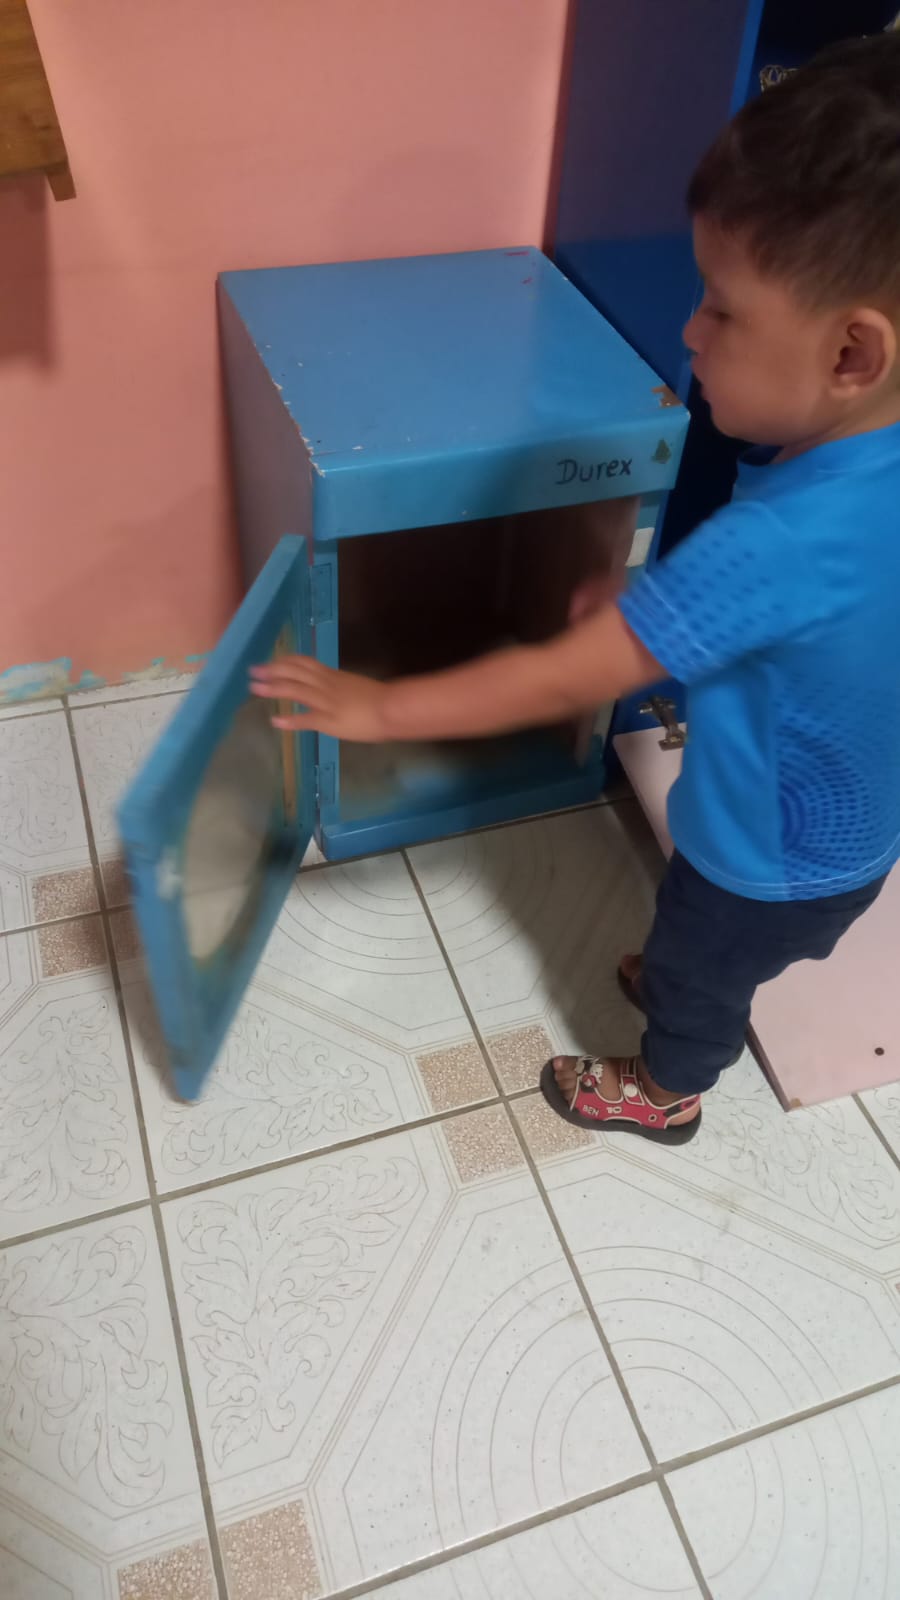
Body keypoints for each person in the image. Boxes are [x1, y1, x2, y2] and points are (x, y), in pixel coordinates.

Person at [252, 35, 900, 1146]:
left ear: (851, 354)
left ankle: (667, 1086)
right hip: (854, 839)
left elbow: (560, 678)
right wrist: (666, 626)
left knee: (700, 971)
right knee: (725, 944)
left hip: (760, 861)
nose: (690, 331)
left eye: (723, 308)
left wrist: (380, 707)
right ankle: (709, 968)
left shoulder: (771, 546)